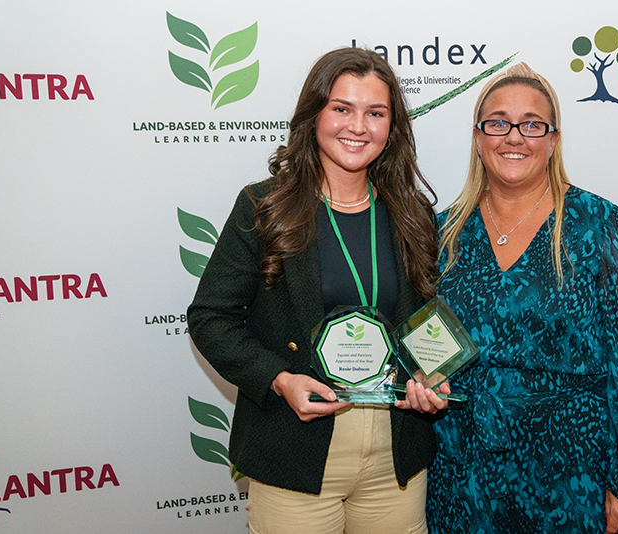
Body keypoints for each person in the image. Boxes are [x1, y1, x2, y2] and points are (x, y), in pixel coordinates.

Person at [188, 47, 448, 534]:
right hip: (296, 446)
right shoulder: (265, 207)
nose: (358, 127)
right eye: (342, 108)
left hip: (395, 453)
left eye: (376, 113)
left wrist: (431, 373)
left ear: (392, 126)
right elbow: (210, 318)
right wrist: (278, 379)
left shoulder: (411, 213)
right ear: (314, 115)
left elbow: (422, 317)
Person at [427, 63, 618, 534]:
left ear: (554, 139)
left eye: (532, 124)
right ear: (478, 138)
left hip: (573, 474)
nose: (514, 137)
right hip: (462, 474)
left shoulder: (597, 224)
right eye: (498, 123)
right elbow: (423, 342)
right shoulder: (443, 233)